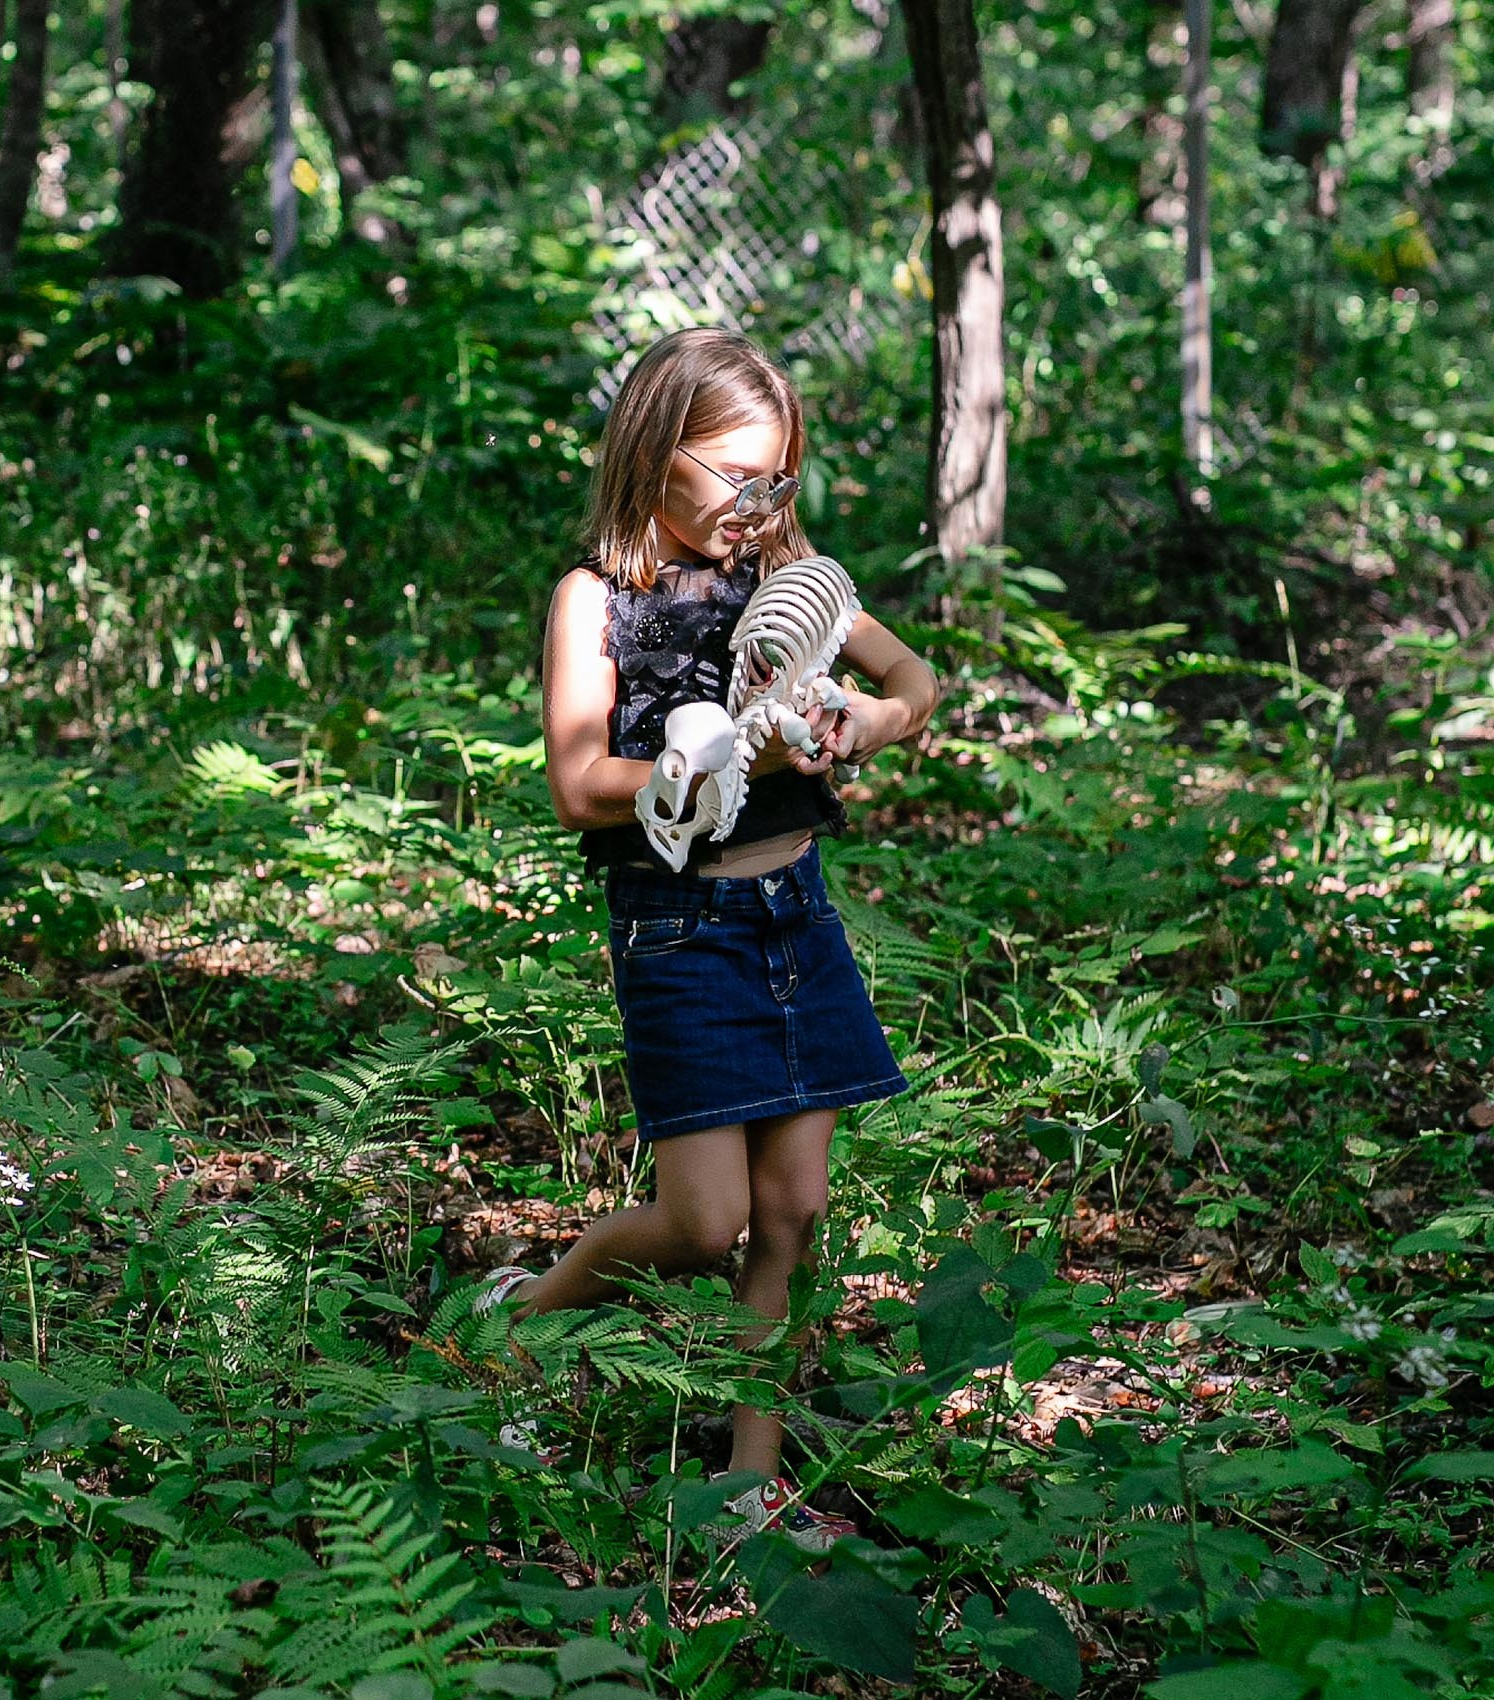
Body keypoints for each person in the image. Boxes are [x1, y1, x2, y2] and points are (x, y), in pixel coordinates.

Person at [475, 326, 938, 1550]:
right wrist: (707, 750)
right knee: (702, 1221)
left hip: (798, 913)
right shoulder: (598, 597)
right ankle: (520, 1322)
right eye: (737, 477)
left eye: (778, 478)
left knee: (791, 1209)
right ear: (655, 450)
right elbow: (579, 781)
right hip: (681, 926)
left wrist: (857, 721)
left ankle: (749, 1482)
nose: (759, 503)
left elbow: (915, 680)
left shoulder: (790, 582)